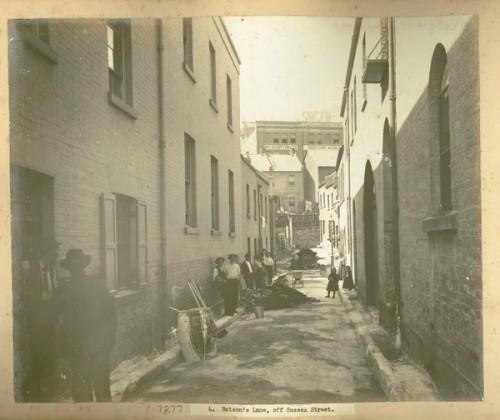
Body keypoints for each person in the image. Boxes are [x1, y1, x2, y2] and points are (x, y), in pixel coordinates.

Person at [59, 249, 117, 402]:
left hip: (88, 349)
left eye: (76, 265)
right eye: (74, 265)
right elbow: (111, 314)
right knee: (93, 392)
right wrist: (110, 341)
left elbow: (111, 313)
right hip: (89, 349)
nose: (75, 268)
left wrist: (109, 341)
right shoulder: (70, 288)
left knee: (91, 392)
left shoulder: (72, 288)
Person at [21, 236, 62, 402]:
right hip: (34, 321)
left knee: (51, 354)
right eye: (55, 251)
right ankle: (37, 392)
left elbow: (54, 292)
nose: (57, 255)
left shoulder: (51, 270)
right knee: (36, 355)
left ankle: (48, 390)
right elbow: (20, 293)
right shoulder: (27, 266)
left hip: (50, 321)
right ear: (48, 252)